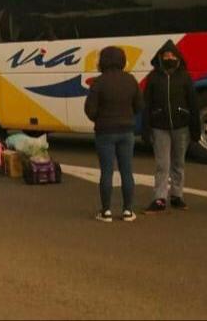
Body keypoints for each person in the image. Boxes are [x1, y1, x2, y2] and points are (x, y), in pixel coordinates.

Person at [84, 46, 143, 223]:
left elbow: (89, 109)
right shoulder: (130, 80)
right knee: (127, 171)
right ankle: (127, 210)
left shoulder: (99, 82)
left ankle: (106, 211)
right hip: (126, 130)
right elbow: (139, 105)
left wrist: (99, 118)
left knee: (107, 171)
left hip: (105, 131)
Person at [143, 41, 199, 214]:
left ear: (178, 57)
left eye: (172, 55)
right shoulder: (153, 77)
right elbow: (147, 104)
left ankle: (177, 195)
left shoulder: (185, 77)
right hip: (159, 126)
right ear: (160, 57)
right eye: (166, 55)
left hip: (181, 126)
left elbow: (193, 103)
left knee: (178, 163)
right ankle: (159, 197)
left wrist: (195, 127)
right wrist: (145, 128)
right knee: (162, 164)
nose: (169, 58)